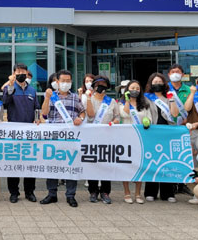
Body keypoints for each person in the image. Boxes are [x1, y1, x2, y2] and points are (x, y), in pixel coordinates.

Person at [40, 70, 86, 208]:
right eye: (63, 81)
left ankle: (70, 195)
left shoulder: (75, 97)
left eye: (68, 81)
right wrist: (47, 98)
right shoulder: (51, 96)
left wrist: (80, 118)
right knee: (52, 165)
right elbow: (44, 113)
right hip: (54, 137)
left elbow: (82, 112)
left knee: (71, 165)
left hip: (71, 137)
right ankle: (52, 194)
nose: (66, 83)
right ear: (57, 82)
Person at [2, 63, 40, 203]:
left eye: (23, 71)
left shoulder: (32, 90)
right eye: (18, 72)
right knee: (14, 163)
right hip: (14, 133)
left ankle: (29, 192)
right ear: (14, 74)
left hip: (29, 133)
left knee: (30, 163)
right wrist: (11, 86)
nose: (21, 74)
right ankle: (14, 192)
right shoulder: (9, 88)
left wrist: (37, 119)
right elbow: (5, 103)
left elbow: (37, 108)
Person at [143, 72, 180, 203]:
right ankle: (150, 192)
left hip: (167, 132)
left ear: (164, 84)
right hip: (152, 132)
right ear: (150, 84)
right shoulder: (146, 97)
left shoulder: (169, 96)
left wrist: (172, 100)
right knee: (152, 161)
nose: (157, 84)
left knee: (167, 162)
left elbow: (175, 114)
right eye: (155, 82)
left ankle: (168, 193)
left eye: (160, 82)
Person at [84, 75, 119, 204]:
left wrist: (115, 122)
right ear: (94, 86)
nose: (100, 86)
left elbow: (117, 116)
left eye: (103, 84)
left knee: (106, 164)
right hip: (92, 136)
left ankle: (105, 192)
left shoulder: (112, 101)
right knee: (92, 163)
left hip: (107, 136)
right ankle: (93, 191)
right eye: (98, 84)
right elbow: (90, 116)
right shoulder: (89, 99)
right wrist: (88, 98)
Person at [118, 80, 152, 204]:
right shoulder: (121, 103)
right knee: (126, 165)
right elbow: (124, 114)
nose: (135, 90)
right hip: (126, 139)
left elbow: (149, 118)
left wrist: (147, 121)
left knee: (139, 166)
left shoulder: (145, 104)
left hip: (140, 139)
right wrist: (127, 101)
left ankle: (138, 193)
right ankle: (127, 192)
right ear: (127, 89)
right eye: (132, 88)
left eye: (137, 88)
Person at [167, 64, 194, 196]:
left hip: (184, 127)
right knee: (169, 155)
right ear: (168, 75)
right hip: (168, 127)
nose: (175, 74)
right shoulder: (165, 88)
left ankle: (182, 184)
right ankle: (171, 184)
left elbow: (193, 108)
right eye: (173, 72)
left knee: (183, 155)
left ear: (183, 74)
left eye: (178, 72)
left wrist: (188, 121)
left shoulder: (189, 90)